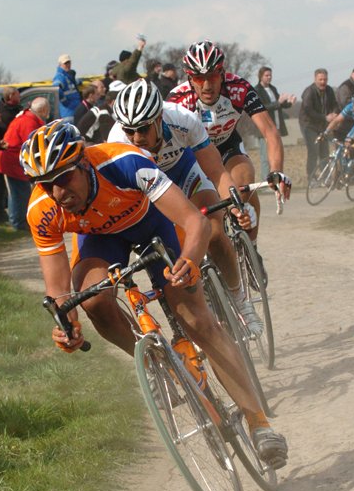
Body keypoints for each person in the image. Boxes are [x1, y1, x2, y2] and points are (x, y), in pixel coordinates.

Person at [20, 121, 288, 468]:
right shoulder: (42, 209)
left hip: (154, 224)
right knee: (91, 300)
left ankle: (259, 423)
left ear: (84, 164)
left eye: (64, 178)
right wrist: (66, 325)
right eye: (46, 184)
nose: (57, 192)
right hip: (101, 240)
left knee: (198, 321)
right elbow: (58, 291)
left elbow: (196, 223)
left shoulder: (125, 163)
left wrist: (190, 261)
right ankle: (155, 364)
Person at [108, 79, 263, 336]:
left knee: (214, 231)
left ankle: (241, 301)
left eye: (143, 128)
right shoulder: (117, 140)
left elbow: (216, 171)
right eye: (130, 130)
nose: (136, 138)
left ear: (159, 118)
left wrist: (236, 207)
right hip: (150, 190)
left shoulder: (183, 119)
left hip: (186, 173)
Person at [167, 41, 291, 277]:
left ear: (222, 73)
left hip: (226, 145)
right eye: (198, 77)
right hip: (192, 155)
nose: (207, 84)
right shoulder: (177, 100)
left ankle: (251, 250)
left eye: (213, 75)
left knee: (246, 180)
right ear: (189, 78)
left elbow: (270, 132)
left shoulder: (239, 88)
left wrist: (277, 171)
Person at [0, 98, 48, 229]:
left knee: (18, 192)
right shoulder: (28, 121)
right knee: (20, 193)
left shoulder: (27, 118)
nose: (49, 112)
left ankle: (17, 221)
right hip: (13, 160)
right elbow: (32, 144)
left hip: (13, 159)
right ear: (42, 110)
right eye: (48, 109)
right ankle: (19, 222)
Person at [254, 67, 296, 179]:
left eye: (270, 75)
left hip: (276, 128)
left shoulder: (272, 89)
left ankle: (276, 180)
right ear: (261, 77)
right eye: (266, 75)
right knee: (265, 157)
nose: (269, 77)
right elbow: (262, 107)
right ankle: (265, 181)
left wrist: (289, 103)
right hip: (264, 128)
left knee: (277, 156)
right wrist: (278, 102)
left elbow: (279, 104)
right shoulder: (257, 90)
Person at [299, 69, 339, 183]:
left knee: (324, 151)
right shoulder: (309, 92)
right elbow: (308, 110)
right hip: (309, 125)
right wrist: (325, 117)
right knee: (313, 151)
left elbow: (334, 104)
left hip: (322, 125)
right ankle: (312, 179)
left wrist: (335, 113)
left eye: (325, 79)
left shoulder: (329, 90)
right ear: (315, 80)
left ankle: (326, 177)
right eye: (320, 79)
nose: (323, 82)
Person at [53, 55, 82, 120]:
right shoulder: (59, 76)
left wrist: (79, 82)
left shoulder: (68, 76)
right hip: (68, 113)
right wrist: (65, 102)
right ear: (60, 65)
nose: (68, 65)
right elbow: (56, 89)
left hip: (75, 111)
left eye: (69, 62)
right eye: (65, 63)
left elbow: (71, 84)